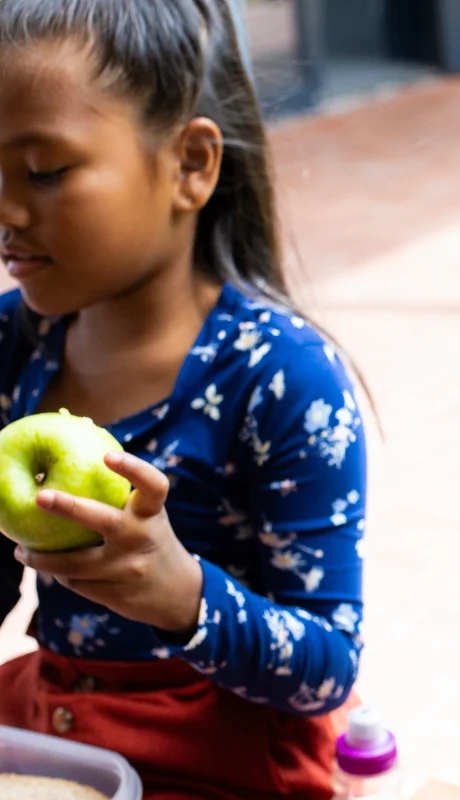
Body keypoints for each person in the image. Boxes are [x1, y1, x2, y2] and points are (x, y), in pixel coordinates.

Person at [0, 1, 367, 797]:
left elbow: (329, 669)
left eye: (44, 171)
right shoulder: (13, 341)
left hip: (226, 759)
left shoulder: (282, 379)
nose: (6, 209)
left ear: (190, 165)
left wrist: (182, 595)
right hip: (58, 733)